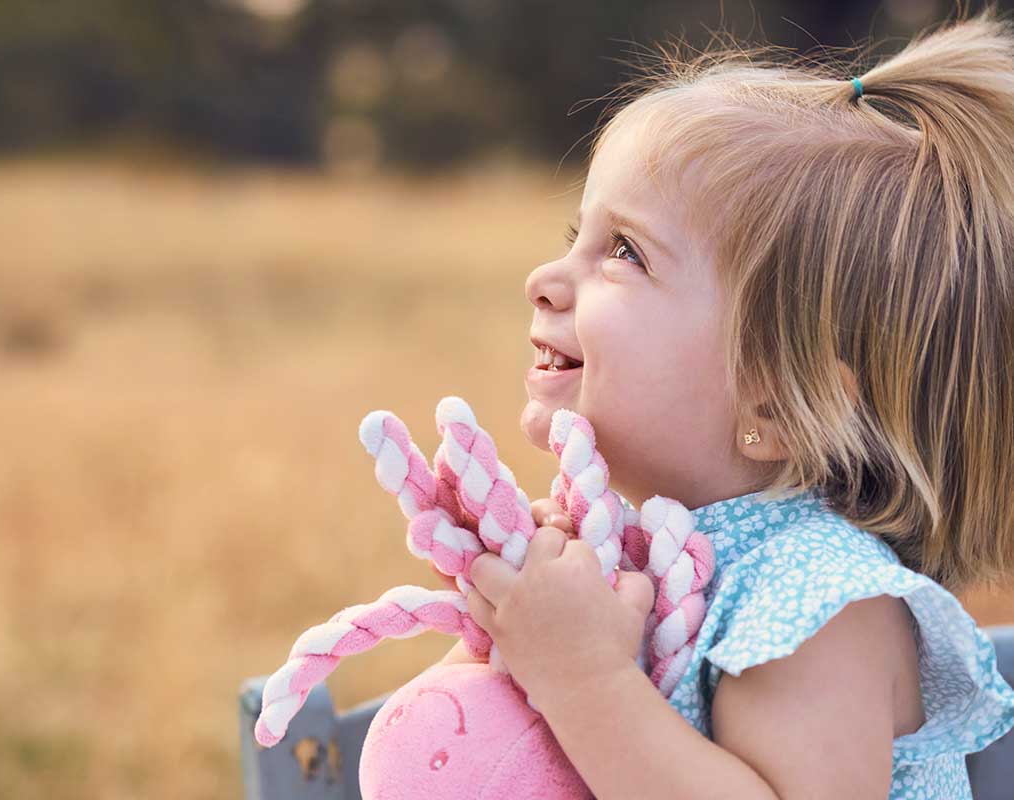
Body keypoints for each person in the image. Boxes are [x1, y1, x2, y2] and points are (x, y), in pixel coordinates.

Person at [432, 6, 1014, 797]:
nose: (546, 277)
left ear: (775, 405)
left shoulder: (819, 603)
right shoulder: (649, 547)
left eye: (626, 252)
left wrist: (582, 674)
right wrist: (509, 621)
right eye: (578, 233)